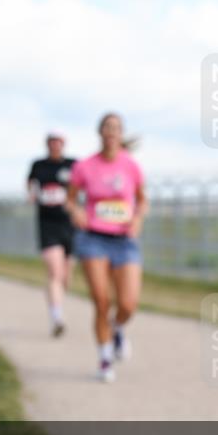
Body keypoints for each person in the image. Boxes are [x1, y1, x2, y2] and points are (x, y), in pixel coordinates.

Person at [66, 113, 147, 383]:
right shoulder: (85, 166)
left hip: (124, 240)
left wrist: (137, 219)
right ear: (99, 132)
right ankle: (104, 357)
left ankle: (118, 328)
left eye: (117, 128)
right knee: (102, 301)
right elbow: (70, 199)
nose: (112, 132)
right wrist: (76, 211)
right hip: (93, 238)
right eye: (107, 127)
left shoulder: (131, 166)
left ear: (121, 134)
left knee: (128, 303)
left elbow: (142, 200)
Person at [27, 131, 77, 337]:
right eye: (51, 142)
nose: (55, 145)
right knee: (54, 272)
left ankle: (56, 302)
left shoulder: (74, 164)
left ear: (63, 144)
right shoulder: (39, 165)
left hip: (69, 224)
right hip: (47, 224)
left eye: (58, 142)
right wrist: (32, 193)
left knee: (66, 277)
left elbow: (83, 185)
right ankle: (57, 317)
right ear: (47, 144)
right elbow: (30, 183)